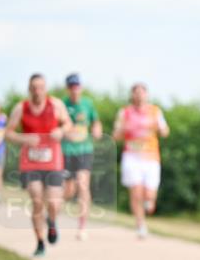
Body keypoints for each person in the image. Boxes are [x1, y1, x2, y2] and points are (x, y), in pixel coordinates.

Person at [4, 74, 74, 256]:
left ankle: (51, 221)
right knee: (36, 200)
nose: (37, 91)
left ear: (46, 89)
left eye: (41, 87)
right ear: (29, 89)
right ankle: (40, 242)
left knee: (53, 202)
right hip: (30, 161)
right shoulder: (21, 108)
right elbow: (8, 133)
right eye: (34, 87)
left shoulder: (56, 105)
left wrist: (60, 130)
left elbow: (68, 124)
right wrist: (23, 138)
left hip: (53, 160)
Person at [113, 83, 169, 239]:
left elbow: (165, 132)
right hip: (131, 157)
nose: (139, 96)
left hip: (151, 158)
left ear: (146, 95)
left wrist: (159, 127)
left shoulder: (155, 111)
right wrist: (123, 129)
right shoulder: (125, 112)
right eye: (136, 93)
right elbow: (116, 136)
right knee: (136, 193)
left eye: (142, 93)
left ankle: (149, 203)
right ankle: (140, 225)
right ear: (132, 95)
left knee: (149, 196)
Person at [61, 73, 102, 240]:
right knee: (69, 191)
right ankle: (53, 213)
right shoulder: (61, 105)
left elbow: (96, 121)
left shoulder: (88, 104)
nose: (74, 89)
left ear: (81, 87)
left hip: (84, 150)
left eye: (77, 86)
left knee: (83, 185)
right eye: (71, 86)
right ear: (67, 88)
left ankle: (82, 227)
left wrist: (97, 130)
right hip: (66, 151)